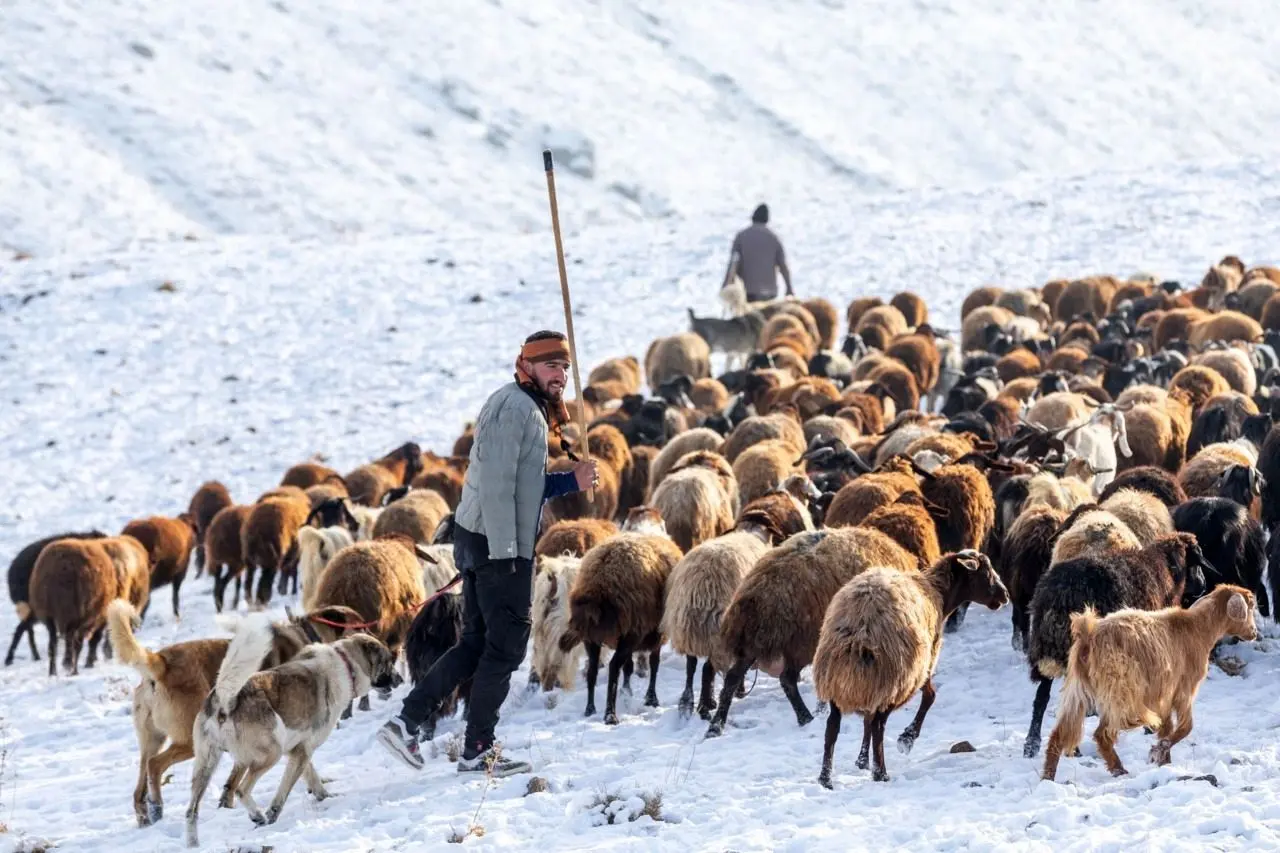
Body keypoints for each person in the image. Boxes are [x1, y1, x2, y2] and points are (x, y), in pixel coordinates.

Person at [377, 330, 598, 777]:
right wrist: (510, 554)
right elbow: (498, 488)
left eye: (565, 368)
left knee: (477, 642)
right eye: (551, 366)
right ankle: (476, 744)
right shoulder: (519, 410)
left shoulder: (520, 406)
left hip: (484, 539)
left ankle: (409, 722)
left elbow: (523, 485)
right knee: (507, 645)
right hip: (500, 546)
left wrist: (570, 481)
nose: (560, 376)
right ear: (528, 365)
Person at [721, 203, 793, 302]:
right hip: (769, 292)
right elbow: (783, 266)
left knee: (747, 316)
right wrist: (789, 288)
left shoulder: (741, 237)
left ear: (753, 217)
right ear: (767, 219)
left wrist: (726, 285)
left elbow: (734, 263)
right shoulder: (774, 238)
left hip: (746, 291)